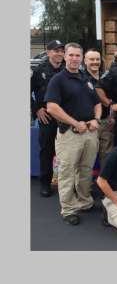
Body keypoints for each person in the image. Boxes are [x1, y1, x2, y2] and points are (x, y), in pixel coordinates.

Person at [45, 42, 102, 225]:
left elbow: (97, 103)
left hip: (89, 132)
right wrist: (74, 123)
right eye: (71, 55)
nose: (74, 59)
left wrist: (96, 119)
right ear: (65, 56)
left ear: (81, 57)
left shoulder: (86, 78)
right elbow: (51, 107)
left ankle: (85, 202)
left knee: (86, 170)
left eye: (78, 55)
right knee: (68, 172)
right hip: (69, 134)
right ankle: (68, 208)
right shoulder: (58, 79)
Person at [31, 39, 64, 197]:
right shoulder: (39, 70)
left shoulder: (68, 69)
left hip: (66, 116)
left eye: (61, 50)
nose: (59, 53)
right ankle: (45, 183)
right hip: (47, 117)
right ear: (48, 52)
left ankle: (66, 184)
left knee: (67, 151)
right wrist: (36, 109)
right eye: (55, 50)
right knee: (47, 151)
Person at [81, 49, 113, 171]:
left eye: (97, 59)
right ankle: (84, 188)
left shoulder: (107, 77)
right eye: (91, 59)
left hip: (106, 122)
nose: (95, 62)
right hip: (88, 123)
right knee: (86, 158)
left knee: (107, 156)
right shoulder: (81, 78)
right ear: (85, 61)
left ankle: (104, 185)